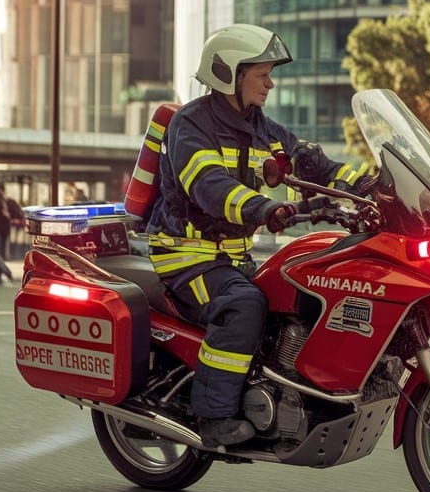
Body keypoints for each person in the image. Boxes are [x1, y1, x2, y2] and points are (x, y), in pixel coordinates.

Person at [145, 24, 367, 448]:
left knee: (300, 290)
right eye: (261, 73)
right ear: (231, 73)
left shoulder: (262, 128)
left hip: (233, 256)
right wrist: (265, 208)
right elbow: (210, 186)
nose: (270, 82)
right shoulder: (191, 126)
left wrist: (368, 186)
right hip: (186, 256)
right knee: (243, 304)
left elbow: (313, 163)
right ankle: (213, 415)